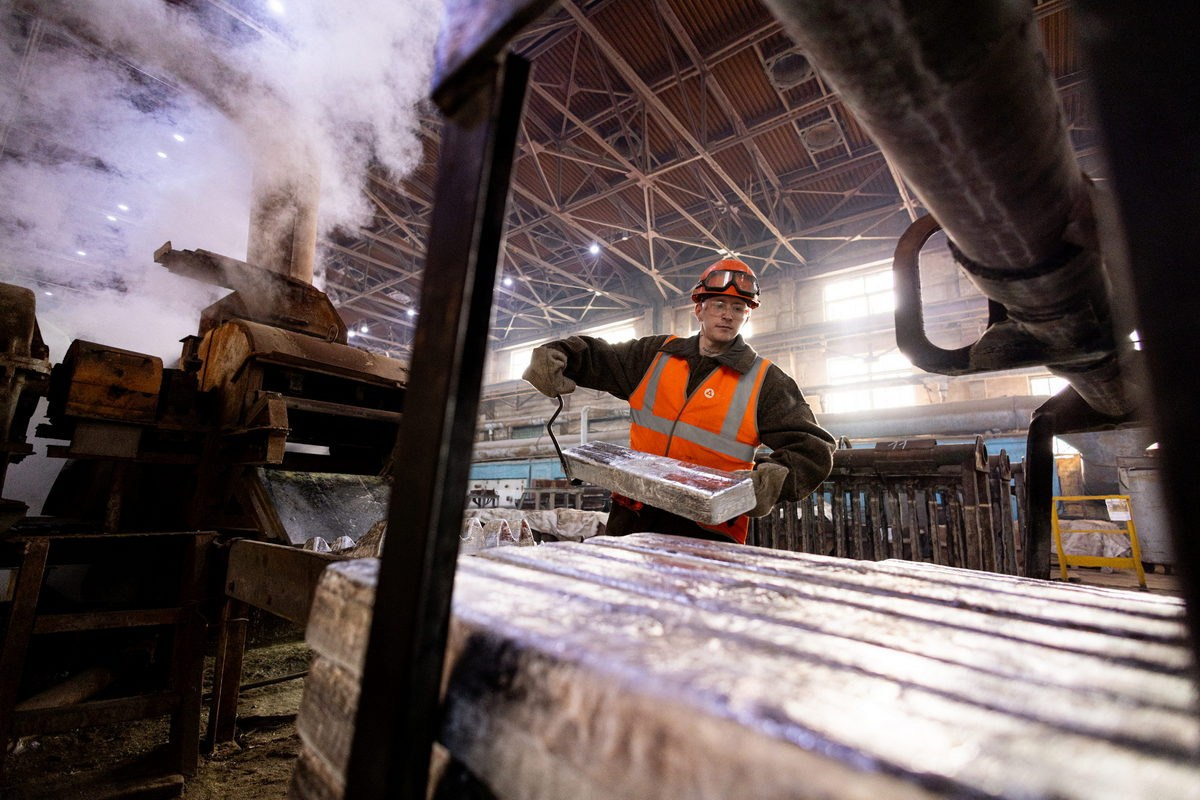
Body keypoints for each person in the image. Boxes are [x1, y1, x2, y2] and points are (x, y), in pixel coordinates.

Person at [522, 258, 835, 544]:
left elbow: (812, 447)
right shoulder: (654, 356)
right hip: (633, 517)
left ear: (747, 315)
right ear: (699, 309)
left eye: (739, 308)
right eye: (719, 304)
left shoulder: (766, 381)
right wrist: (559, 353)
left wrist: (767, 482)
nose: (728, 315)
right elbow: (598, 357)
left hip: (710, 529)